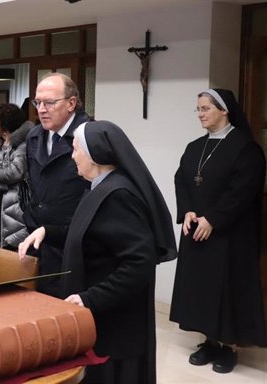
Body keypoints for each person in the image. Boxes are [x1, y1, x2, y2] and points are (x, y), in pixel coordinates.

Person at [19, 121, 177, 384]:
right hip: (101, 313)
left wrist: (90, 298)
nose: (72, 156)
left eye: (76, 149)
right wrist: (48, 231)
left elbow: (139, 262)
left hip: (115, 319)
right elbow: (90, 234)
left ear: (95, 154)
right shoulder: (100, 185)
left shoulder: (118, 195)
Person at [170, 88, 267, 374]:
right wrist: (187, 211)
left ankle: (228, 347)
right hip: (196, 231)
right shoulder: (194, 146)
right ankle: (209, 341)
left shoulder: (245, 148)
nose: (200, 114)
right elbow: (182, 181)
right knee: (201, 289)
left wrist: (212, 219)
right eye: (198, 109)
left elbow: (243, 191)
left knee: (226, 289)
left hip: (229, 235)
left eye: (205, 109)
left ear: (224, 110)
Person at [23, 72, 91, 297]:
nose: (41, 109)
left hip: (74, 242)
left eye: (49, 102)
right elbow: (31, 183)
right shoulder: (34, 136)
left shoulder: (89, 136)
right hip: (39, 241)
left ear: (72, 103)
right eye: (38, 102)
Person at [0, 103, 31, 249]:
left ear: (5, 121)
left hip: (15, 215)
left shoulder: (23, 145)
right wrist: (7, 184)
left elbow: (15, 172)